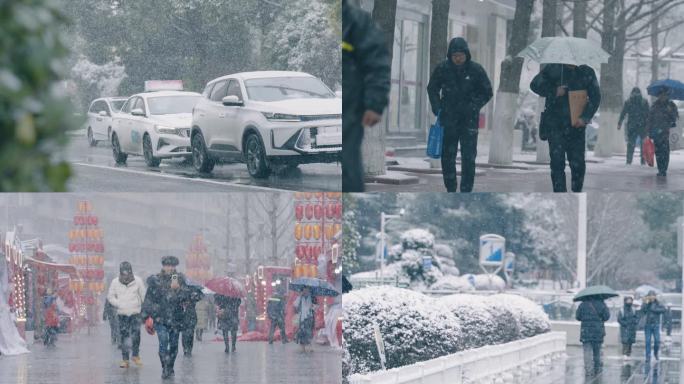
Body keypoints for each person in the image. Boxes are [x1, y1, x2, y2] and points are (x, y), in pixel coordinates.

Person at [427, 37, 493, 192]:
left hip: (469, 121)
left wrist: (474, 105)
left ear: (466, 54)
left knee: (469, 158)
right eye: (454, 55)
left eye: (461, 55)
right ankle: (450, 188)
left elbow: (487, 91)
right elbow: (432, 89)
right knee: (447, 157)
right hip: (448, 119)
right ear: (450, 55)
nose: (458, 58)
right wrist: (437, 107)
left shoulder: (476, 70)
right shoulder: (442, 68)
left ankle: (466, 190)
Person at [342, 0, 391, 192]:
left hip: (351, 110)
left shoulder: (357, 21)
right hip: (342, 106)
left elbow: (377, 64)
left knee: (349, 166)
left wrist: (374, 104)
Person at [530, 63, 601, 192]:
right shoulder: (553, 69)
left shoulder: (586, 72)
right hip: (555, 126)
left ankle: (577, 191)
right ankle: (559, 192)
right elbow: (535, 85)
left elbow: (595, 97)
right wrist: (554, 90)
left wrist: (584, 117)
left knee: (578, 164)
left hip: (576, 126)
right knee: (557, 163)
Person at [142, 256, 189, 379]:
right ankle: (165, 368)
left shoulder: (180, 280)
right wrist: (146, 316)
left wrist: (178, 290)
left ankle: (170, 366)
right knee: (163, 342)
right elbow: (148, 299)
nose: (170, 268)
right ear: (163, 266)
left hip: (176, 318)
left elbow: (186, 298)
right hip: (160, 318)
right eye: (167, 265)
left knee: (174, 345)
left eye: (172, 266)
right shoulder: (156, 281)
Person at [107, 261, 146, 368]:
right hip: (122, 313)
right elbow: (110, 296)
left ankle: (136, 355)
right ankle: (125, 359)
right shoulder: (115, 282)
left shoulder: (138, 281)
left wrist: (145, 309)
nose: (126, 274)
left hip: (135, 313)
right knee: (124, 336)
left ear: (131, 271)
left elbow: (143, 296)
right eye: (123, 271)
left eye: (127, 271)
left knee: (136, 335)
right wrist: (118, 303)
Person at [647, 88, 679, 177]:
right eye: (661, 95)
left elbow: (675, 118)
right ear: (659, 96)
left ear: (667, 95)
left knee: (665, 152)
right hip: (656, 131)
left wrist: (670, 112)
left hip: (665, 132)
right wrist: (649, 131)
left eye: (665, 95)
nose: (663, 97)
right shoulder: (655, 105)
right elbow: (650, 118)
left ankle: (664, 169)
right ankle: (660, 169)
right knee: (658, 152)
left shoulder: (671, 105)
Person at [575, 297, 610, 376]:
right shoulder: (602, 304)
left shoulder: (582, 305)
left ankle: (588, 370)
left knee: (587, 351)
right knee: (597, 351)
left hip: (586, 332)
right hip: (598, 331)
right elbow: (607, 317)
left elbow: (577, 317)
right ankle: (597, 369)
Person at [618, 87, 649, 165]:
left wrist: (619, 123)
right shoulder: (644, 102)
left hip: (632, 126)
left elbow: (623, 113)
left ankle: (629, 161)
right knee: (643, 144)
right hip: (642, 126)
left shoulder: (628, 102)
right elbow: (648, 114)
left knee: (631, 144)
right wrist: (649, 125)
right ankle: (643, 160)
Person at [641, 290, 666, 362]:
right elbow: (642, 311)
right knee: (648, 341)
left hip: (656, 324)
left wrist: (654, 309)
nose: (652, 297)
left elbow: (664, 309)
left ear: (655, 296)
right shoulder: (646, 303)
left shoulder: (658, 303)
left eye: (653, 295)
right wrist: (645, 303)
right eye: (650, 295)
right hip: (647, 324)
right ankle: (648, 356)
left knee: (657, 340)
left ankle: (655, 353)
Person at [180, 285, 203, 357]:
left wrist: (198, 290)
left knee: (190, 334)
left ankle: (189, 349)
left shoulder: (192, 297)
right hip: (183, 318)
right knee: (185, 335)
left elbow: (200, 297)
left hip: (191, 318)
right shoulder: (181, 295)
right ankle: (186, 349)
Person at [294, 287, 317, 353]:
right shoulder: (300, 297)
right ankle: (302, 348)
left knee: (309, 333)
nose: (305, 291)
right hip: (302, 318)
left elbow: (316, 307)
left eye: (307, 289)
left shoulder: (312, 297)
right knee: (301, 333)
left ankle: (310, 347)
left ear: (309, 290)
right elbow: (295, 305)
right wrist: (300, 296)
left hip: (310, 317)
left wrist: (313, 307)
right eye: (304, 289)